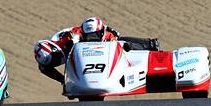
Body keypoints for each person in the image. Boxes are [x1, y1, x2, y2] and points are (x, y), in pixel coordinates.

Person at [33, 16, 161, 84]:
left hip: (98, 42)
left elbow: (97, 28)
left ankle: (149, 45)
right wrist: (63, 80)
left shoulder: (73, 37)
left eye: (55, 59)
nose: (56, 62)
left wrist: (110, 31)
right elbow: (45, 68)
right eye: (53, 61)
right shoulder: (50, 57)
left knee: (120, 43)